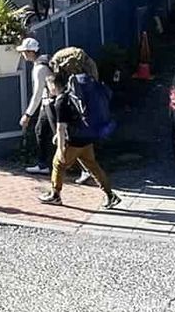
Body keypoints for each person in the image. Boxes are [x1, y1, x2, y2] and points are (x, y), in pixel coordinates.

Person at [38, 71, 120, 211]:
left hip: (74, 142)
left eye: (47, 85)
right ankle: (110, 195)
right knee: (93, 167)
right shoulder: (72, 96)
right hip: (86, 139)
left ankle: (55, 194)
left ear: (53, 85)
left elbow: (61, 127)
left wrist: (60, 148)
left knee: (57, 164)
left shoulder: (60, 101)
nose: (47, 88)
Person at [17, 37, 54, 174]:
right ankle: (43, 164)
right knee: (41, 131)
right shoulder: (44, 62)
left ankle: (83, 167)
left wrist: (27, 114)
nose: (23, 54)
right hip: (49, 102)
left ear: (31, 52)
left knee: (57, 134)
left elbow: (37, 94)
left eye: (24, 52)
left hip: (50, 103)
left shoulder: (39, 68)